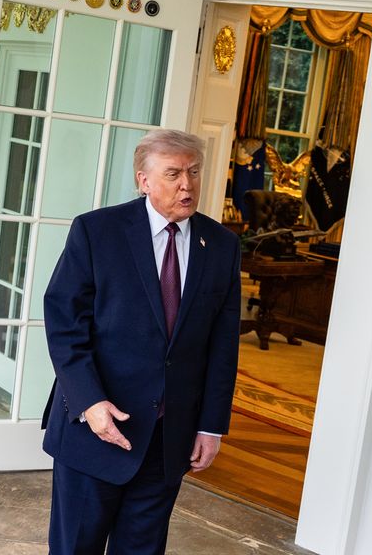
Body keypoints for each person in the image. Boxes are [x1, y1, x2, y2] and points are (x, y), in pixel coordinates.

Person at [42, 129, 241, 555]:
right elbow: (64, 324)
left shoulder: (222, 245)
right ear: (143, 180)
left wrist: (210, 426)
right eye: (173, 174)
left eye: (193, 172)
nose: (187, 185)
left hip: (168, 440)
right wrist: (90, 402)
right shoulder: (97, 231)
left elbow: (223, 346)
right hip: (96, 428)